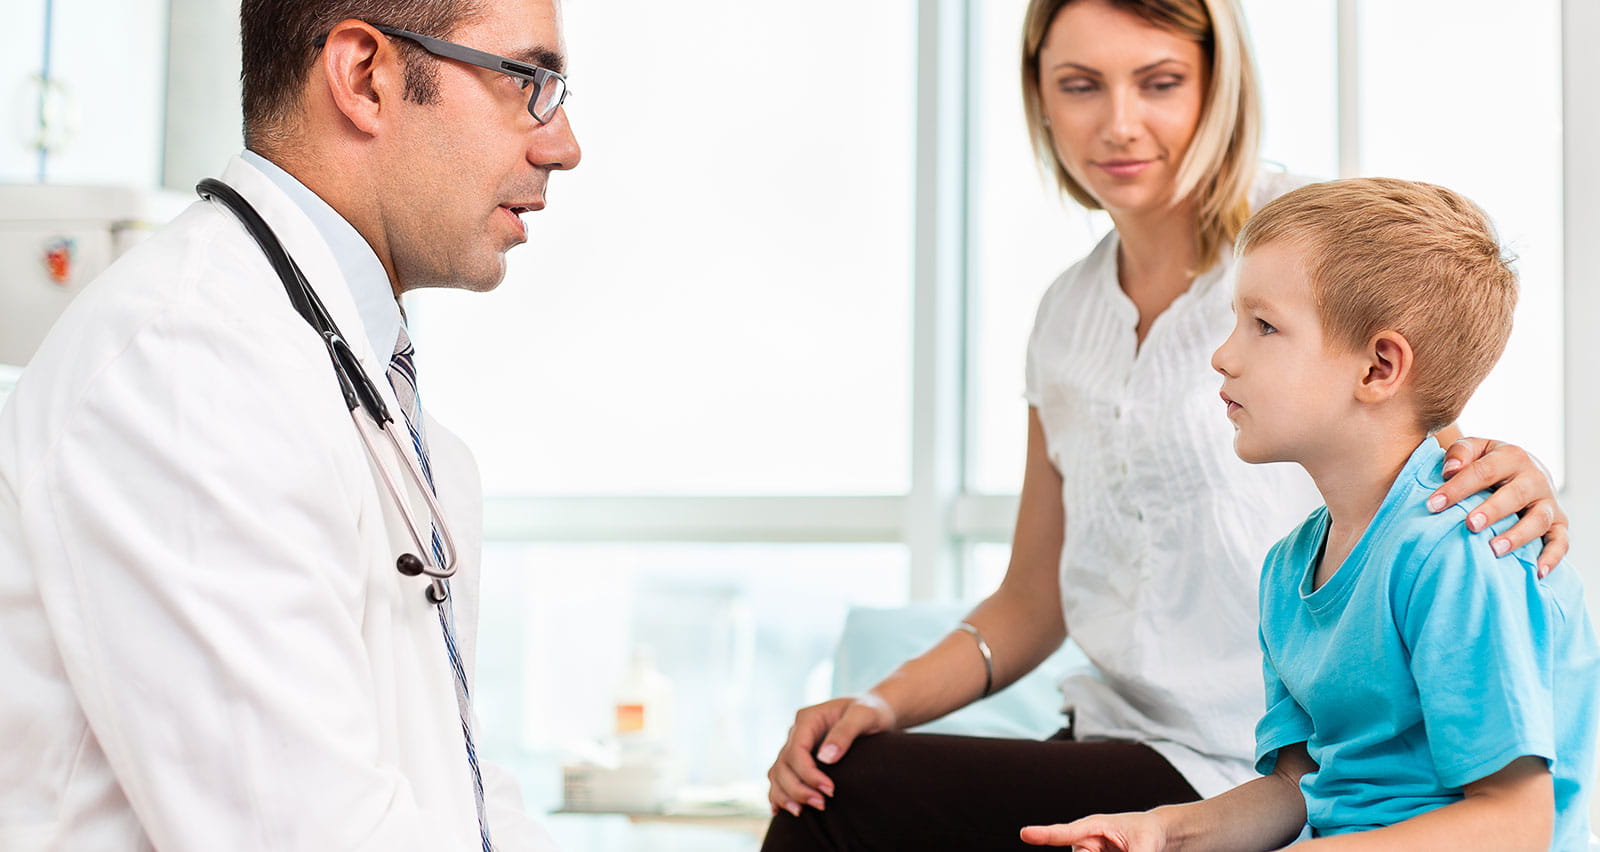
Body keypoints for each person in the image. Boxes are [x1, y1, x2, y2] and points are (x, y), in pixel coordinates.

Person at [761, 1, 1570, 849]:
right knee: (832, 785)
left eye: (1160, 82)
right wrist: (878, 703)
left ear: (1220, 86)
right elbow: (1035, 597)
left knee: (848, 802)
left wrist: (1520, 474)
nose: (1119, 123)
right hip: (1122, 742)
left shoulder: (1301, 245)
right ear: (1039, 95)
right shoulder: (1066, 316)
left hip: (1227, 760)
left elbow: (1410, 418)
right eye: (1079, 85)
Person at [0, 0, 578, 849]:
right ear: (364, 78)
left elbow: (460, 790)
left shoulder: (333, 362)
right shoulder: (187, 367)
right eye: (527, 80)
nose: (562, 144)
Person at [1021, 177, 1599, 851]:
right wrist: (1160, 833)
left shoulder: (1461, 550)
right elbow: (1297, 788)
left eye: (1263, 326)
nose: (1223, 356)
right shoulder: (1288, 568)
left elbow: (1514, 823)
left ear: (1380, 367)